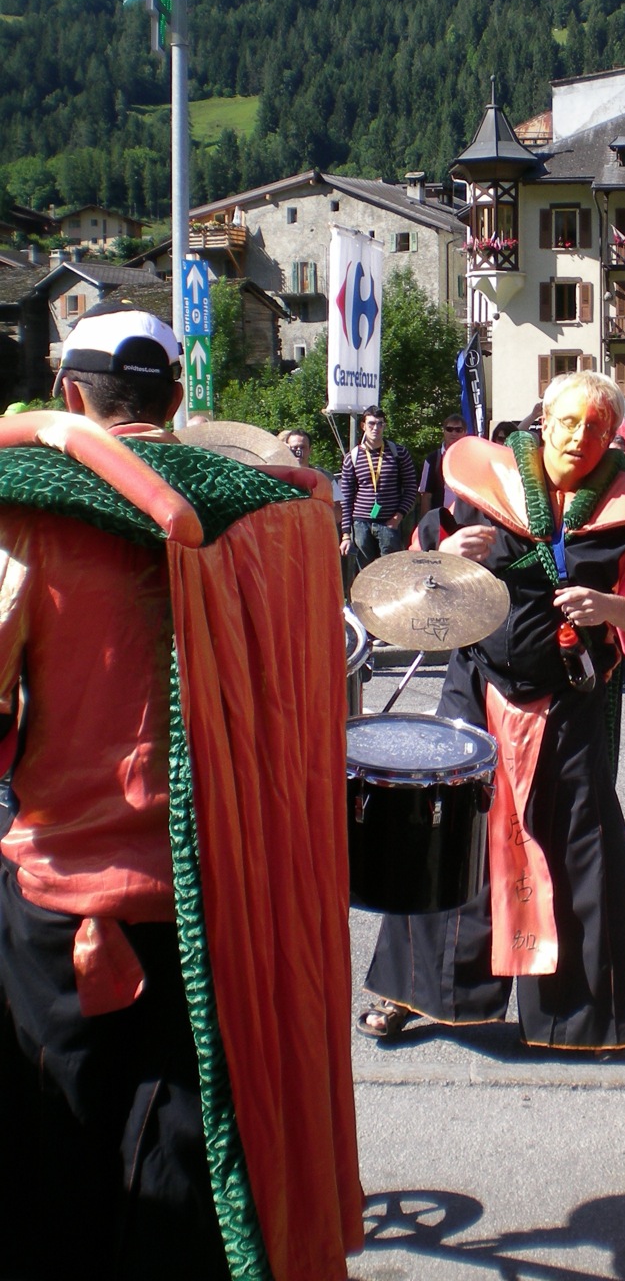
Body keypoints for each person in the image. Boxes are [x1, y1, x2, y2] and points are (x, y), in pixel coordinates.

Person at [0, 306, 360, 1280]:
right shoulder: (271, 517)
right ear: (175, 399)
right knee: (192, 1167)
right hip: (231, 898)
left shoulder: (27, 509)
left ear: (69, 394)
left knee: (59, 1165)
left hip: (68, 897)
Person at [360, 370, 625, 1050]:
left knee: (579, 850)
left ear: (612, 436)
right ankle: (412, 993)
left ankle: (584, 1018)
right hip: (476, 687)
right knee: (448, 836)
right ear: (544, 423)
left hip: (569, 702)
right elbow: (410, 580)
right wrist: (442, 555)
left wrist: (610, 606)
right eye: (568, 422)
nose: (579, 437)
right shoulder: (482, 493)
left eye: (596, 427)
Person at [338, 403, 417, 567]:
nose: (376, 428)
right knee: (366, 572)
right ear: (363, 426)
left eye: (380, 424)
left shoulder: (398, 453)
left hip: (389, 522)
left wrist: (398, 517)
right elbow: (346, 498)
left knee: (391, 570)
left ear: (384, 426)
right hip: (361, 524)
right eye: (371, 424)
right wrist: (346, 534)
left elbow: (411, 488)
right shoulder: (352, 457)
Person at [418, 411, 468, 517]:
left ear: (465, 432)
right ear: (444, 431)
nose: (453, 433)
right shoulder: (433, 459)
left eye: (458, 430)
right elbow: (426, 495)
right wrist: (426, 523)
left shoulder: (471, 458)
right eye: (449, 429)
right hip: (441, 518)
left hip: (466, 519)